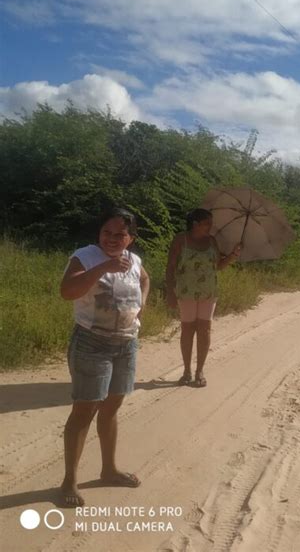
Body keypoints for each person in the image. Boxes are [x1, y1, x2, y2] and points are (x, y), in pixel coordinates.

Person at [60, 208, 150, 507]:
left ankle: (109, 469)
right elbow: (67, 291)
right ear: (99, 234)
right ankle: (69, 480)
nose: (112, 239)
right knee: (84, 412)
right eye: (106, 233)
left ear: (131, 238)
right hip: (91, 343)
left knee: (111, 409)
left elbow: (145, 280)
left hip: (126, 344)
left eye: (120, 235)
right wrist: (103, 268)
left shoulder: (135, 260)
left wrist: (142, 305)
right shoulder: (85, 256)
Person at [166, 208, 241, 387]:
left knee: (204, 330)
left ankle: (200, 370)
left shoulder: (212, 241)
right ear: (195, 224)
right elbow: (170, 267)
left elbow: (218, 266)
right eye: (206, 223)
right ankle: (186, 371)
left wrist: (232, 256)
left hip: (208, 292)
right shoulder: (180, 240)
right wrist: (170, 291)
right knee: (187, 330)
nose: (210, 226)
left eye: (210, 222)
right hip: (186, 293)